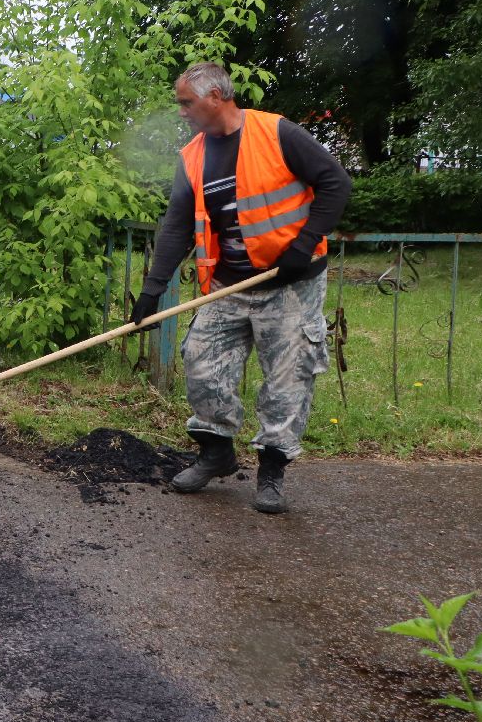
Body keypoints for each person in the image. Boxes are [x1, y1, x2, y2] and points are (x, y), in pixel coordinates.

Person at [131, 61, 351, 514]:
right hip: (228, 285)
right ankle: (216, 453)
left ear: (216, 97)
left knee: (287, 379)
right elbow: (176, 226)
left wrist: (303, 244)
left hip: (290, 283)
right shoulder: (192, 156)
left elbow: (336, 182)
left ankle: (272, 470)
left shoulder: (277, 134)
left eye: (186, 103)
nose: (181, 112)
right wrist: (152, 289)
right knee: (202, 363)